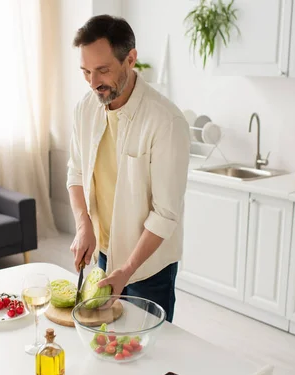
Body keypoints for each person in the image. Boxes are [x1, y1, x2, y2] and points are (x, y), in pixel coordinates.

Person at [66, 15, 190, 323]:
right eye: (86, 72)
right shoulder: (85, 108)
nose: (93, 83)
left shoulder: (165, 122)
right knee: (109, 346)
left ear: (130, 59)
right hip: (105, 254)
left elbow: (165, 214)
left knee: (151, 356)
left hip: (148, 266)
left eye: (103, 70)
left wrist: (126, 270)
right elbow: (76, 172)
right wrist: (84, 226)